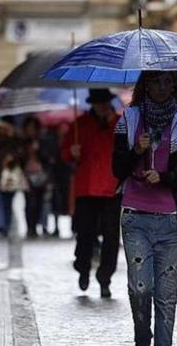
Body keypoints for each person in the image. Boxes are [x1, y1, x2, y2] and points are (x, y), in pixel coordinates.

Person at [113, 71, 177, 346]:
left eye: (167, 81)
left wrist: (164, 177)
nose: (162, 87)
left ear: (175, 85)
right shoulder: (129, 120)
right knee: (140, 289)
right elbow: (116, 169)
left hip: (173, 222)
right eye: (155, 81)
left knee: (166, 296)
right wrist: (137, 153)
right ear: (145, 85)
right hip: (136, 218)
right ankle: (142, 335)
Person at [61, 88, 122, 298]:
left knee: (112, 236)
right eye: (97, 103)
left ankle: (105, 276)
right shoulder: (80, 124)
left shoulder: (120, 123)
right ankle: (83, 267)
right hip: (86, 187)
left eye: (104, 102)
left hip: (111, 188)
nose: (101, 106)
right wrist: (72, 152)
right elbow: (65, 153)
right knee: (85, 233)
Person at [0, 119, 20, 236]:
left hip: (10, 176)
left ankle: (6, 224)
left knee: (8, 202)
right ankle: (0, 224)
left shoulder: (15, 138)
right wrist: (7, 137)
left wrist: (12, 157)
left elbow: (19, 153)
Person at [21, 116, 50, 238]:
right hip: (27, 175)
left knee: (39, 202)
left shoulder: (42, 141)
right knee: (29, 202)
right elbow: (19, 158)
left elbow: (47, 158)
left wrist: (38, 150)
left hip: (41, 175)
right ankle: (30, 227)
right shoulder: (23, 142)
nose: (31, 130)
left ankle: (36, 225)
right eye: (29, 128)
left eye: (33, 128)